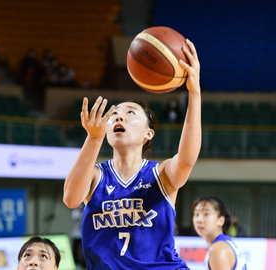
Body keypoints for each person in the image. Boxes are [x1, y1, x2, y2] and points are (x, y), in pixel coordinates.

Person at [63, 39, 201, 269]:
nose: (119, 116)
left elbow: (187, 159)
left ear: (148, 133)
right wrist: (93, 138)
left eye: (130, 112)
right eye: (115, 113)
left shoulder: (161, 174)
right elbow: (70, 199)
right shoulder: (96, 176)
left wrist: (194, 93)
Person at [192, 195, 247, 270]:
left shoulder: (217, 249)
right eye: (196, 214)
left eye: (206, 214)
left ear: (221, 220)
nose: (199, 220)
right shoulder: (224, 243)